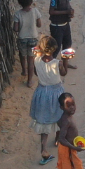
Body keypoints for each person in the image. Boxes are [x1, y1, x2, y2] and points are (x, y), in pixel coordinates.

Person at [29, 34, 65, 162]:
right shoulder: (57, 63)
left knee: (44, 121)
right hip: (56, 92)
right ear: (54, 49)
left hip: (42, 92)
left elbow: (36, 73)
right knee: (59, 116)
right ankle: (58, 139)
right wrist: (64, 61)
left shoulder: (37, 60)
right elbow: (64, 72)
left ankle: (43, 149)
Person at [55, 92, 85, 169]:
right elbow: (62, 139)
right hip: (68, 150)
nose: (72, 108)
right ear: (62, 107)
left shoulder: (67, 117)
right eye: (69, 106)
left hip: (70, 148)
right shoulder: (66, 120)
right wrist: (74, 147)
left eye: (73, 104)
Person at [13, 0, 43, 85]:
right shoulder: (35, 11)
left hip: (22, 39)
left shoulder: (18, 14)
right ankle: (29, 81)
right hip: (33, 38)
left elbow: (16, 29)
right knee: (31, 59)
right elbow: (39, 25)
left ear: (19, 2)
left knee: (22, 55)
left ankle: (24, 71)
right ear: (31, 1)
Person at [48, 0, 75, 71]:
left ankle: (65, 63)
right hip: (57, 26)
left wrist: (70, 12)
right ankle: (50, 65)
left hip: (65, 24)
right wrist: (65, 12)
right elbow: (51, 12)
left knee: (68, 44)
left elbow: (68, 5)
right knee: (56, 47)